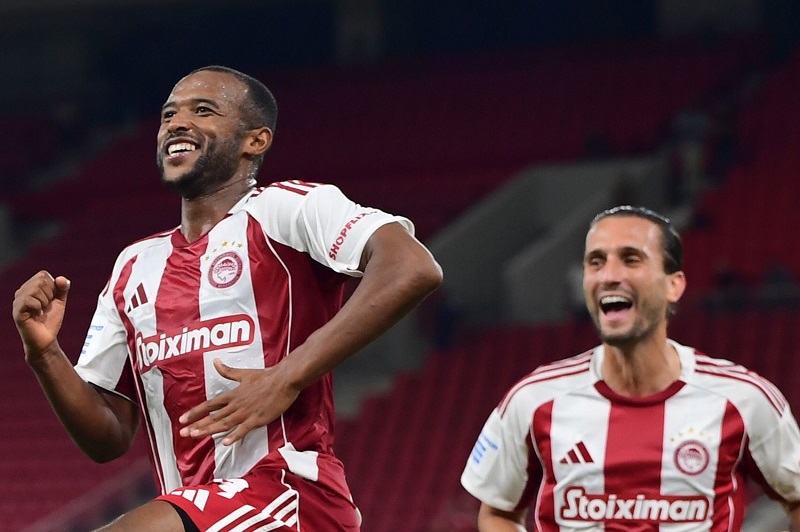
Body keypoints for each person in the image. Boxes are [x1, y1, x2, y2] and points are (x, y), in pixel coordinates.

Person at [12, 65, 443, 531]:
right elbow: (108, 438)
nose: (177, 123)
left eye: (203, 111)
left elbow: (412, 267)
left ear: (254, 140)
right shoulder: (133, 266)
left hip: (288, 497)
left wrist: (288, 375)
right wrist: (45, 354)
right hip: (198, 509)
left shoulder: (287, 207)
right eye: (168, 114)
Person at [460, 205, 800, 530]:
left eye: (631, 259)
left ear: (673, 285)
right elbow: (497, 513)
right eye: (596, 262)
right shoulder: (533, 398)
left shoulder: (744, 399)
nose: (609, 276)